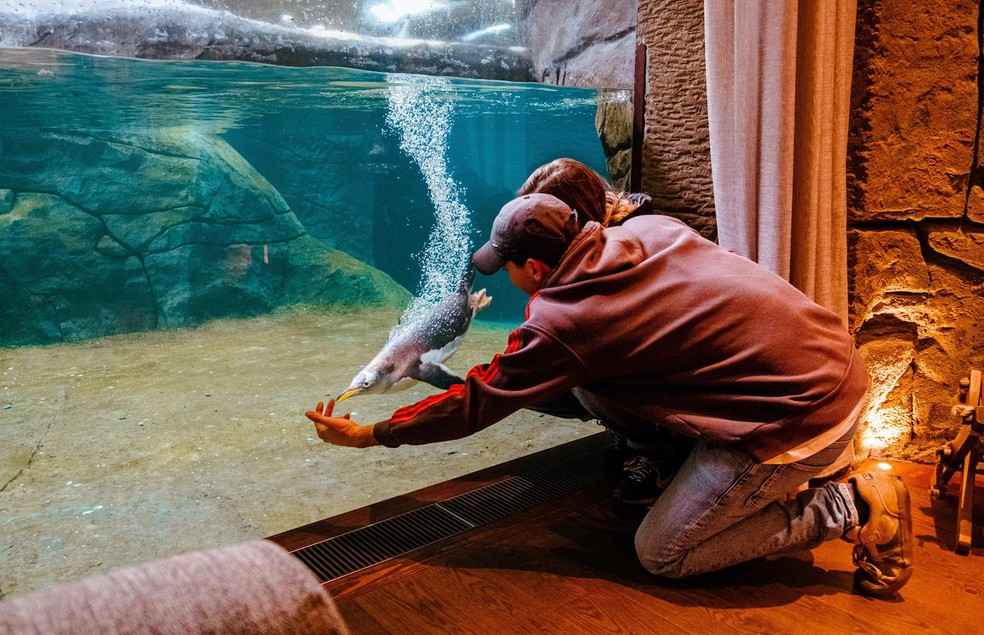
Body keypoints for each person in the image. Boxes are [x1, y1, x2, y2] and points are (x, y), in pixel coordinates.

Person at [306, 192, 913, 597]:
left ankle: (853, 502)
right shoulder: (651, 229)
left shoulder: (568, 321)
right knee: (594, 386)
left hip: (800, 418)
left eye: (509, 267)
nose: (506, 276)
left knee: (663, 553)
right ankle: (676, 463)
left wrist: (374, 433)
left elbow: (482, 399)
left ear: (536, 271)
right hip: (830, 363)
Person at [519, 157, 686, 505]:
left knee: (580, 358)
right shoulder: (599, 242)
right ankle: (633, 433)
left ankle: (658, 451)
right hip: (655, 375)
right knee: (537, 379)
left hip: (678, 384)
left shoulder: (632, 246)